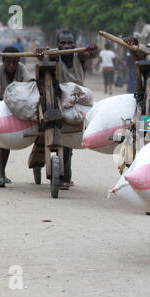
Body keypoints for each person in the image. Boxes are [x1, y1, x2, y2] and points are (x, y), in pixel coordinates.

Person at [31, 29, 98, 190]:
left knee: (68, 139)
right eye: (63, 43)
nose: (67, 46)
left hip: (76, 101)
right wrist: (41, 54)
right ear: (58, 45)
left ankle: (65, 176)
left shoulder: (79, 56)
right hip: (56, 98)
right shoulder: (55, 56)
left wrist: (93, 49)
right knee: (46, 129)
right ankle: (53, 169)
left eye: (70, 43)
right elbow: (44, 59)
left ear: (75, 44)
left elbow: (91, 54)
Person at [0, 46, 34, 188]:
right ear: (3, 60)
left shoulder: (21, 68)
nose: (11, 65)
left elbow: (30, 82)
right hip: (2, 103)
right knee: (3, 141)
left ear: (18, 60)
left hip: (20, 104)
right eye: (8, 62)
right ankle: (1, 175)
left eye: (14, 62)